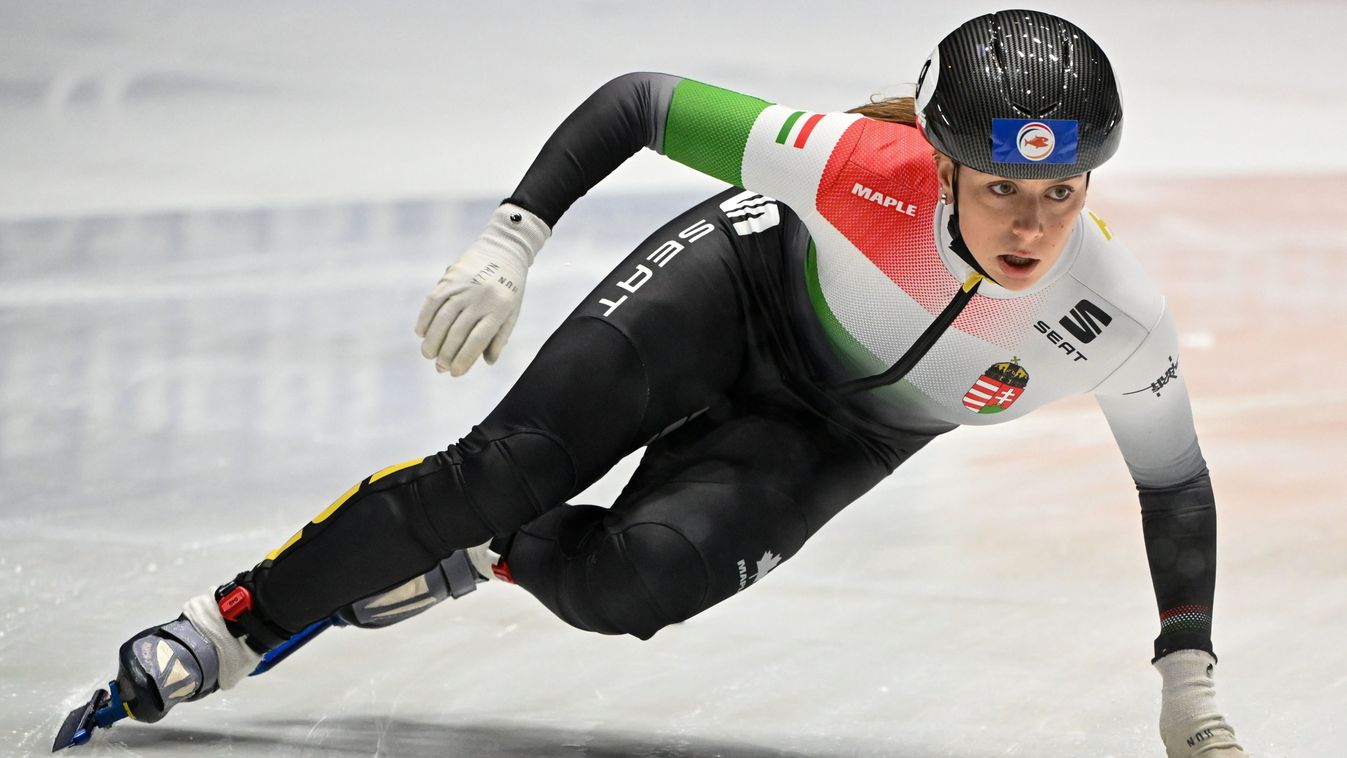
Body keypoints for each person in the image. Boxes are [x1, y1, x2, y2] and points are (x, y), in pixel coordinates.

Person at [96, 10, 1248, 757]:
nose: (1031, 226)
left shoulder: (1113, 316)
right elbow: (642, 102)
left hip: (840, 431)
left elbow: (1175, 483)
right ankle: (228, 626)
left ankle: (490, 553)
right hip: (736, 288)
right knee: (501, 468)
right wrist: (512, 238)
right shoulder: (856, 165)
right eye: (1000, 187)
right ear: (942, 162)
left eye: (1060, 193)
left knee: (634, 587)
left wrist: (1186, 678)